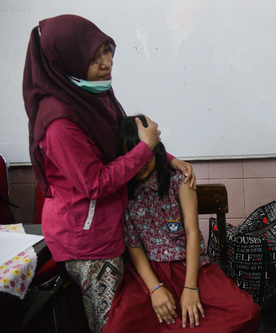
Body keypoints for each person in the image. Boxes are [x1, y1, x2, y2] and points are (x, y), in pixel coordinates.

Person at [22, 14, 194, 333]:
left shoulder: (91, 94)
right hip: (86, 240)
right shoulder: (58, 122)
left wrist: (164, 156)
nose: (106, 63)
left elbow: (122, 136)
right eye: (94, 57)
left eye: (107, 50)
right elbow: (95, 182)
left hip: (108, 226)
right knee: (110, 324)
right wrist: (146, 149)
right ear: (67, 61)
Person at [103, 116, 261, 333]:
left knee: (246, 312)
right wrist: (155, 289)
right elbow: (134, 246)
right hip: (149, 272)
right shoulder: (124, 191)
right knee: (119, 327)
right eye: (133, 157)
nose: (140, 164)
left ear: (155, 151)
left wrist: (190, 287)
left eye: (145, 156)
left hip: (189, 267)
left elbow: (192, 233)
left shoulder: (179, 181)